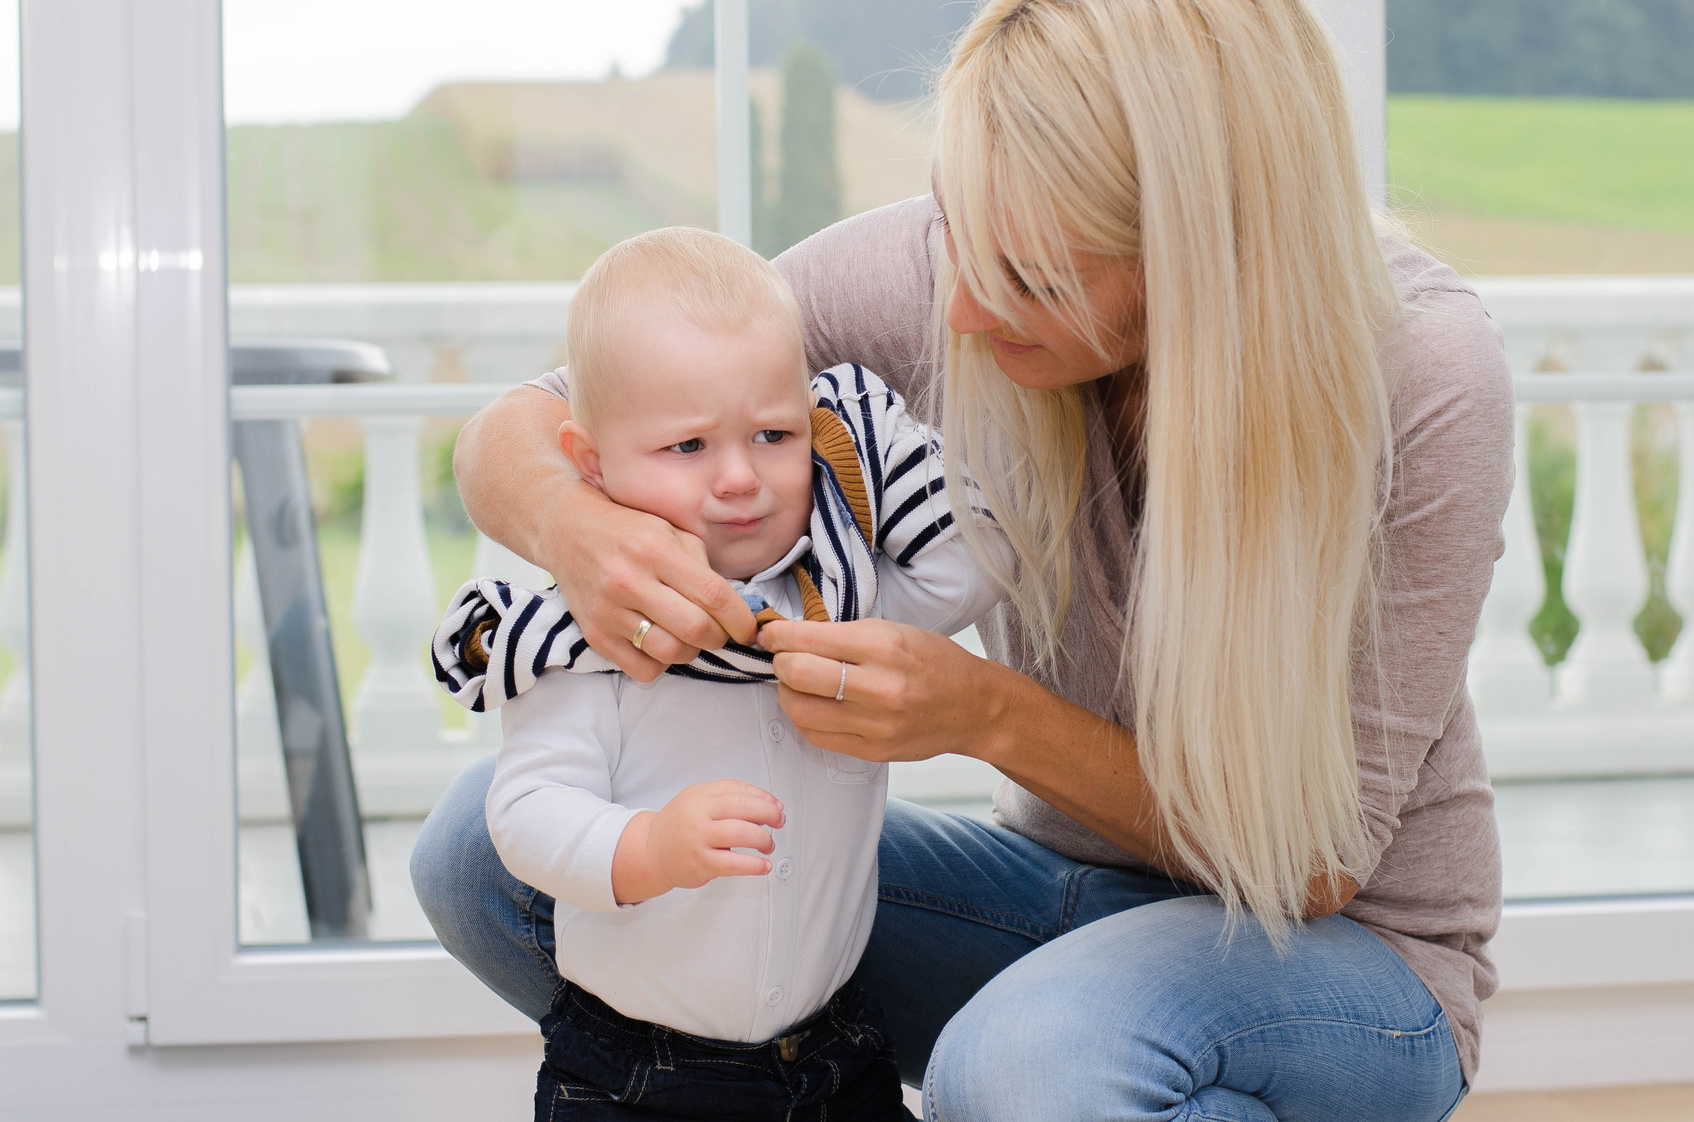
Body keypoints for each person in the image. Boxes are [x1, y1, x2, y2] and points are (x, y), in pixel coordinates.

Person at [413, 2, 1511, 1119]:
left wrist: (983, 716)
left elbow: (1311, 866)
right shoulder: (962, 265)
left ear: (1197, 248)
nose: (960, 310)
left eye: (1030, 277)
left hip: (1336, 953)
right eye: (955, 235)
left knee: (1019, 1073)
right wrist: (578, 531)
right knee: (484, 852)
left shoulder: (1422, 372)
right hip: (1059, 898)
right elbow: (523, 425)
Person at [431, 226, 1002, 1120]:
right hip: (635, 1069)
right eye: (688, 447)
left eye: (774, 435)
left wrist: (875, 432)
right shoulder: (603, 631)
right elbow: (527, 814)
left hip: (834, 1053)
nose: (741, 478)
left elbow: (963, 568)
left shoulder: (839, 605)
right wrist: (649, 847)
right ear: (591, 465)